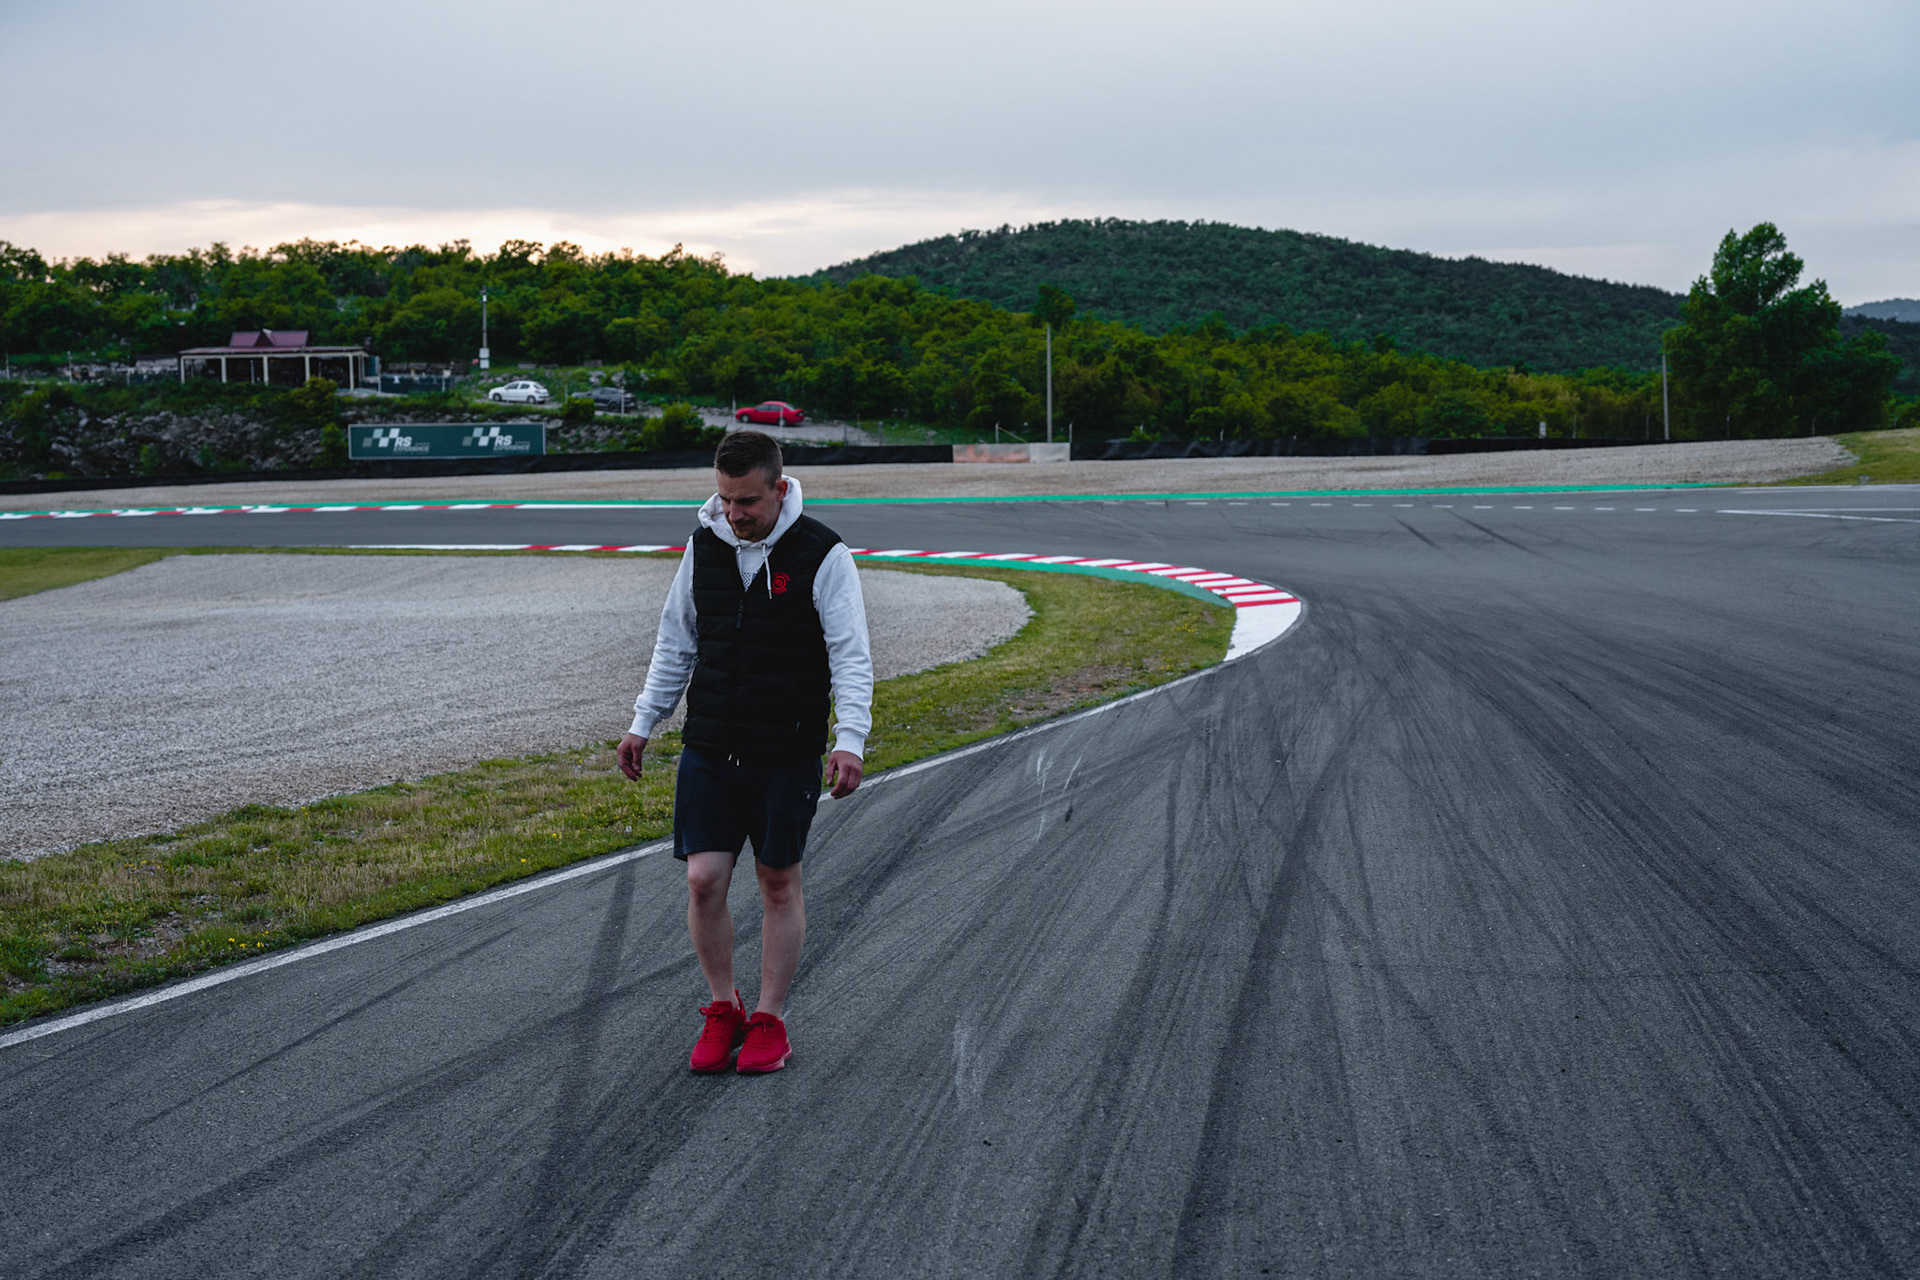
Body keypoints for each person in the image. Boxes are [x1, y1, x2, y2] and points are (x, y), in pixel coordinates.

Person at [617, 430, 872, 1074]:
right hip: (711, 742)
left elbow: (851, 655)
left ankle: (769, 1020)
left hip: (785, 747)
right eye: (726, 499)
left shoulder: (823, 554)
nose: (734, 513)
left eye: (748, 501)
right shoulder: (702, 546)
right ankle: (723, 1006)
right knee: (703, 879)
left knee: (777, 882)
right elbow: (675, 642)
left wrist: (850, 739)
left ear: (779, 489)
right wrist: (644, 723)